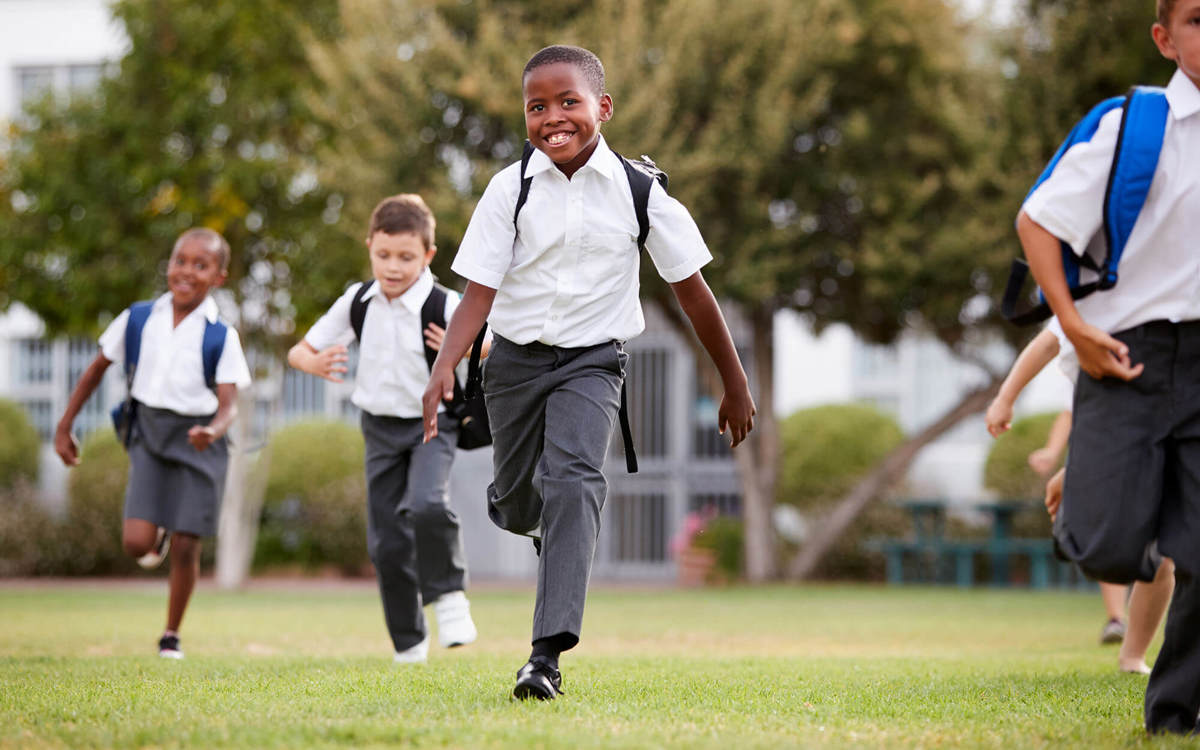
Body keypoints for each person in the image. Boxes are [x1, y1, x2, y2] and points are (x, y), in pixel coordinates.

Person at [422, 44, 755, 700]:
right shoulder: (507, 189)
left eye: (568, 102)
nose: (553, 117)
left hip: (592, 363)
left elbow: (694, 292)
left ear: (601, 107)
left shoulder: (640, 194)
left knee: (575, 481)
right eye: (537, 106)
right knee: (519, 503)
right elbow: (479, 291)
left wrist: (734, 381)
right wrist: (444, 364)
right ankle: (537, 521)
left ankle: (543, 659)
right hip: (514, 362)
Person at [1015, 0, 1200, 731]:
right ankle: (1097, 484)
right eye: (1197, 20)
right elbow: (1038, 219)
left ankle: (1178, 713)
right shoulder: (1137, 127)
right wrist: (1073, 325)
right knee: (1108, 544)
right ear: (1164, 37)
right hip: (1129, 355)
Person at [288, 194, 480, 664]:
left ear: (428, 256)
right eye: (384, 255)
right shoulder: (357, 300)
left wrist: (461, 347)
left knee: (428, 505)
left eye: (406, 257)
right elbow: (299, 351)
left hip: (432, 424)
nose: (393, 267)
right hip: (378, 430)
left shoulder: (444, 303)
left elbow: (491, 345)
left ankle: (451, 597)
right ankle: (409, 643)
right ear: (370, 245)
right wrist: (313, 361)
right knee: (387, 544)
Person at [54, 228, 251, 659]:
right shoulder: (139, 318)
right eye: (181, 260)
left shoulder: (221, 335)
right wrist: (65, 425)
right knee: (136, 545)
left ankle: (171, 635)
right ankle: (157, 533)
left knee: (187, 543)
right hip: (149, 434)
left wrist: (213, 431)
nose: (186, 271)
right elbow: (95, 370)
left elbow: (229, 406)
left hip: (200, 440)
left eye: (201, 265)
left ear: (219, 276)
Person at [986, 327, 1174, 673]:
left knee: (1165, 556)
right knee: (1134, 547)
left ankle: (1132, 654)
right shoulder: (1092, 304)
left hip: (1168, 426)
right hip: (1118, 436)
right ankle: (1120, 628)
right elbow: (1049, 343)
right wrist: (1005, 398)